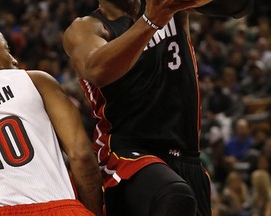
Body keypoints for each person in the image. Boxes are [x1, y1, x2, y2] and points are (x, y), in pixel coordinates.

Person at [63, 0, 254, 215]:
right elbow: (97, 70)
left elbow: (239, 6)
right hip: (127, 157)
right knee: (174, 195)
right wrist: (150, 22)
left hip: (187, 160)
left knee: (179, 196)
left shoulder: (165, 5)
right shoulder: (86, 27)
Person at [0, 22, 102, 216]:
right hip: (58, 208)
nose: (13, 60)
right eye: (7, 50)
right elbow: (80, 154)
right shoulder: (34, 80)